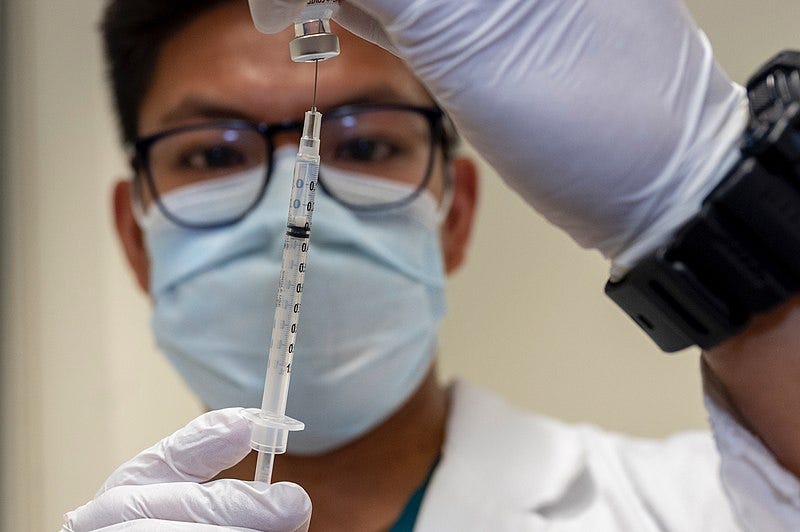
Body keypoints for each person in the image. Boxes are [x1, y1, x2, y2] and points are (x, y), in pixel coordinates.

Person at [63, 0, 800, 530]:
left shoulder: (692, 510)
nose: (298, 200)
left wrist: (697, 186)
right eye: (215, 154)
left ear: (456, 213)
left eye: (369, 146)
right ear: (134, 234)